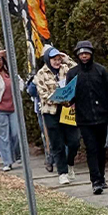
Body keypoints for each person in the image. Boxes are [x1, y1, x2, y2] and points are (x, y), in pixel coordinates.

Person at [69, 41, 108, 195]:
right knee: (91, 148)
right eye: (81, 53)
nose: (84, 56)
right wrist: (66, 101)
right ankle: (95, 180)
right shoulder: (73, 73)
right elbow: (69, 95)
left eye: (86, 53)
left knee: (102, 148)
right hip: (84, 118)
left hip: (102, 116)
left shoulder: (101, 71)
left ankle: (101, 177)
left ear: (91, 54)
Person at [34, 46, 81, 186]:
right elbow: (43, 94)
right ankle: (62, 173)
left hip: (67, 110)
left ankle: (70, 163)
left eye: (59, 59)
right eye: (54, 59)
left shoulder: (65, 69)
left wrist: (66, 58)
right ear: (48, 60)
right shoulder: (41, 74)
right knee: (57, 144)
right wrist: (58, 97)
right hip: (51, 112)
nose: (57, 61)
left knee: (74, 141)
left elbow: (78, 70)